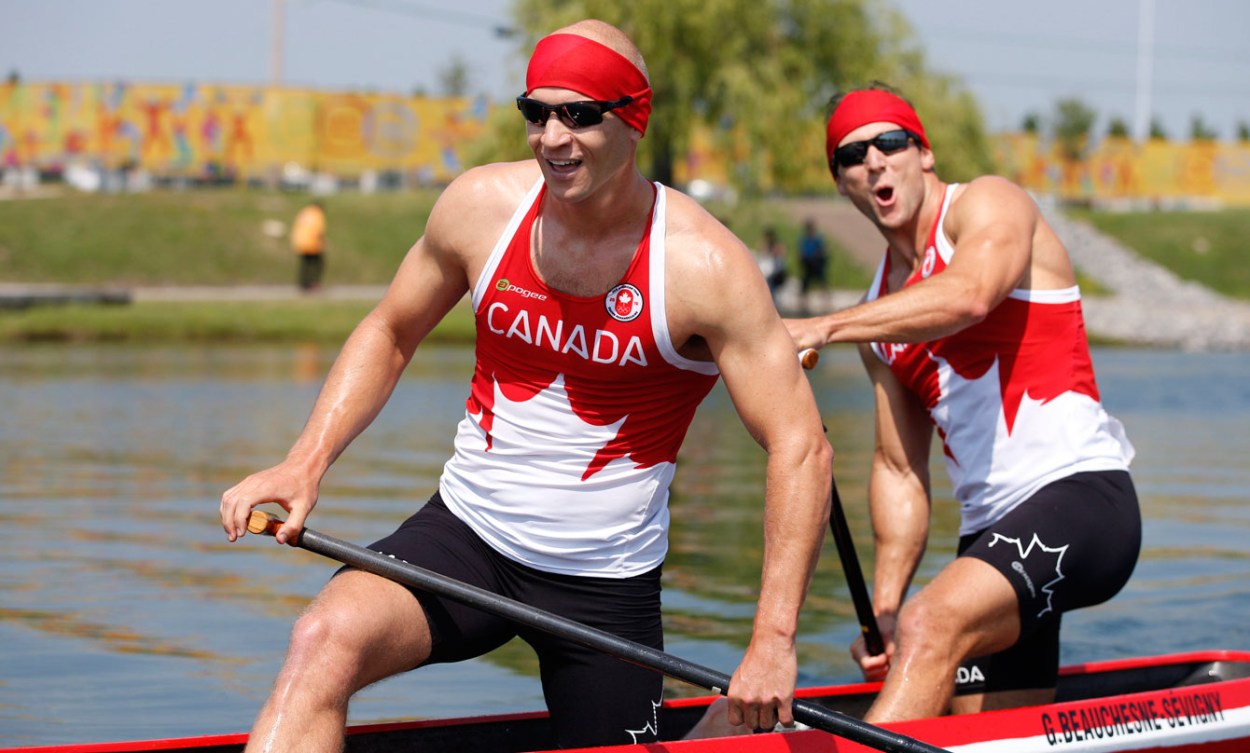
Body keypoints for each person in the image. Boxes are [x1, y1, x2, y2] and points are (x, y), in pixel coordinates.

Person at [219, 19, 832, 751]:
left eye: (579, 113)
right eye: (535, 112)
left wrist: (772, 636)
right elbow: (390, 331)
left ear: (633, 119)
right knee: (322, 638)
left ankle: (718, 726)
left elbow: (801, 446)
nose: (552, 135)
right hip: (466, 537)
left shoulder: (704, 266)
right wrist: (304, 462)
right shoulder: (480, 209)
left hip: (604, 582)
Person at [785, 84, 1140, 723]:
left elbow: (972, 293)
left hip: (1083, 498)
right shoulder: (881, 319)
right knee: (977, 721)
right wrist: (886, 612)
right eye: (852, 154)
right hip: (990, 537)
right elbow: (899, 471)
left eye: (890, 143)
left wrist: (824, 326)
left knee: (933, 624)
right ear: (841, 183)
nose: (874, 161)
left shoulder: (988, 205)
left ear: (924, 153)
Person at [291, 199, 326, 291]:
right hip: (312, 243)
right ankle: (313, 283)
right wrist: (323, 243)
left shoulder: (304, 212)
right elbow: (319, 230)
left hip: (301, 242)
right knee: (317, 264)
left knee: (304, 264)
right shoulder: (317, 214)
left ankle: (303, 284)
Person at [797, 218, 828, 310]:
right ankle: (804, 304)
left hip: (816, 263)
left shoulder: (817, 239)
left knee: (822, 281)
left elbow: (822, 251)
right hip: (807, 264)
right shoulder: (804, 239)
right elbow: (801, 252)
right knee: (805, 284)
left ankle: (826, 300)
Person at [757, 226, 788, 307]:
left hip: (776, 272)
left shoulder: (777, 246)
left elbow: (782, 258)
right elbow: (762, 255)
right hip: (769, 271)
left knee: (771, 287)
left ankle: (773, 304)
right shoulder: (766, 246)